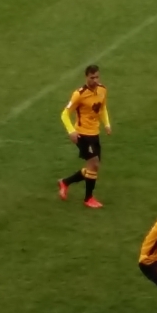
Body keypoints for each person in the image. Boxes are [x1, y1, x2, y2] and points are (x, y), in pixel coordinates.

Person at [57, 64, 110, 208]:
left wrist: (106, 124)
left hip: (95, 133)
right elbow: (64, 114)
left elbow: (102, 108)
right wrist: (71, 131)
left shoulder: (102, 90)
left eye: (97, 77)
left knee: (93, 167)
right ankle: (88, 198)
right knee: (94, 164)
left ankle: (65, 182)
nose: (95, 80)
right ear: (86, 77)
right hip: (82, 134)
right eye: (92, 78)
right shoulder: (79, 94)